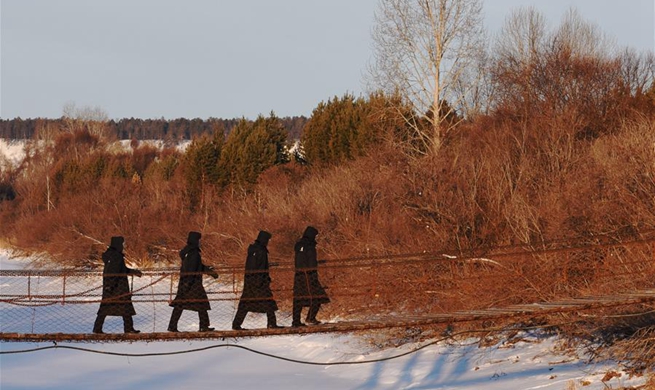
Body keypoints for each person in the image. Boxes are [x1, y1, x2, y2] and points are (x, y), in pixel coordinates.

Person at [168, 231, 218, 332]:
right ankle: (203, 326)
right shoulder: (193, 253)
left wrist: (209, 271)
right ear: (195, 240)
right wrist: (188, 284)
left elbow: (196, 266)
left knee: (181, 304)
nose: (199, 242)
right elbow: (192, 269)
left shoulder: (187, 251)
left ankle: (172, 326)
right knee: (201, 303)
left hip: (186, 282)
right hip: (193, 284)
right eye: (199, 240)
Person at [232, 230, 281, 330]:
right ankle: (271, 324)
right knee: (268, 302)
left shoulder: (254, 249)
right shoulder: (261, 251)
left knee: (246, 303)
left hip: (250, 281)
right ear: (265, 240)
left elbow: (254, 265)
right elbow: (259, 266)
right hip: (259, 282)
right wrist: (263, 280)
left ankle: (236, 324)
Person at [93, 236, 143, 334]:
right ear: (118, 244)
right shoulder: (116, 256)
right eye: (122, 243)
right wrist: (110, 286)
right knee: (124, 307)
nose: (123, 246)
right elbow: (113, 271)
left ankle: (97, 328)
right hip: (118, 287)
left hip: (113, 286)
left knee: (107, 307)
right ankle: (128, 328)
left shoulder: (112, 255)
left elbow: (121, 269)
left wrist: (133, 271)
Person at [292, 226, 330, 327]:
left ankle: (295, 321)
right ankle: (310, 318)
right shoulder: (310, 246)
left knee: (298, 298)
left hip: (299, 275)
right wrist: (314, 273)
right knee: (318, 296)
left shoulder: (299, 246)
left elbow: (302, 260)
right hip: (309, 276)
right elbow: (311, 262)